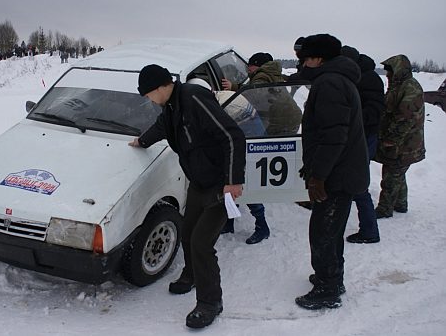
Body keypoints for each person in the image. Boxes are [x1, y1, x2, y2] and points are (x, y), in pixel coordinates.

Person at [129, 64, 246, 328]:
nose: (148, 100)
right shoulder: (170, 107)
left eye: (148, 95)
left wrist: (233, 180)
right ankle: (191, 274)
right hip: (199, 182)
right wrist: (142, 141)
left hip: (219, 184)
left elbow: (232, 135)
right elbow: (163, 127)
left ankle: (210, 302)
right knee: (188, 231)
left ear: (160, 87)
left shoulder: (193, 98)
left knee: (202, 243)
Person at [295, 34, 369, 310]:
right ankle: (331, 277)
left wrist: (318, 176)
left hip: (338, 175)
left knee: (323, 232)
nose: (303, 63)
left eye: (306, 58)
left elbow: (333, 137)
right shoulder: (336, 79)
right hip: (341, 171)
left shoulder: (329, 84)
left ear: (318, 59)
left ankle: (328, 288)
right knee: (331, 229)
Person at [220, 52, 301, 244]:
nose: (247, 69)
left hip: (262, 131)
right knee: (237, 178)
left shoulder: (259, 80)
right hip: (263, 128)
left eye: (250, 66)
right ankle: (230, 219)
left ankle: (261, 226)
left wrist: (235, 89)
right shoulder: (269, 75)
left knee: (248, 180)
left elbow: (253, 94)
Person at [341, 46, 385, 244]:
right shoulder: (358, 76)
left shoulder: (368, 79)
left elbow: (374, 112)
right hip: (358, 135)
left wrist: (348, 117)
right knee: (354, 181)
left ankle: (369, 231)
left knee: (358, 183)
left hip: (364, 137)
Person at [374, 55, 425, 219]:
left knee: (391, 175)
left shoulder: (410, 88)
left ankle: (384, 208)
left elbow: (406, 118)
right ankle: (401, 204)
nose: (387, 74)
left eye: (390, 71)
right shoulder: (398, 86)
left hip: (404, 144)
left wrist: (391, 139)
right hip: (403, 143)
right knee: (398, 173)